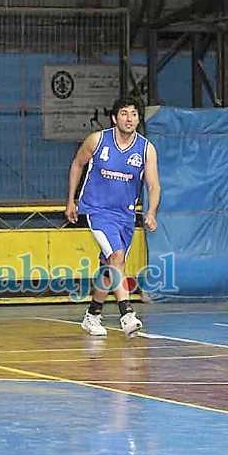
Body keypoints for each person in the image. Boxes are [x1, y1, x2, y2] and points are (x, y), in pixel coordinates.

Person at [65, 96, 161, 338]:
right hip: (97, 210)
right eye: (124, 113)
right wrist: (71, 200)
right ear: (115, 117)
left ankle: (93, 315)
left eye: (134, 114)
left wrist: (150, 213)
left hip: (125, 215)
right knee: (116, 257)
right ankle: (127, 314)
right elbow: (77, 164)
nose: (129, 118)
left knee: (110, 268)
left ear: (139, 119)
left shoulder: (146, 149)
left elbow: (153, 185)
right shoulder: (97, 140)